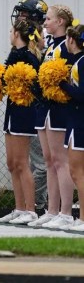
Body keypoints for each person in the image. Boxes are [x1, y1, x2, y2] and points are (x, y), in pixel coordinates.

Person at [33, 5, 77, 229]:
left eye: (49, 19)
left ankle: (66, 212)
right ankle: (52, 210)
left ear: (60, 22)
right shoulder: (50, 45)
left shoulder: (68, 46)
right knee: (49, 160)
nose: (45, 23)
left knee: (61, 161)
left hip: (60, 108)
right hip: (45, 108)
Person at [0, 19, 41, 225]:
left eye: (11, 30)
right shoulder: (14, 55)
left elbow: (34, 87)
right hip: (12, 110)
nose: (9, 33)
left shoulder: (29, 57)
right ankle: (19, 207)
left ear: (17, 34)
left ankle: (30, 210)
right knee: (12, 163)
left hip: (25, 112)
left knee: (22, 163)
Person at [11, 0, 49, 214]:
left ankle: (35, 204)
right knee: (31, 163)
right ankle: (36, 203)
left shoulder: (42, 42)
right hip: (29, 110)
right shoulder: (24, 44)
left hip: (38, 109)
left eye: (24, 13)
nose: (19, 17)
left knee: (42, 163)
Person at [60, 23, 84, 231]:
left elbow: (82, 94)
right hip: (74, 119)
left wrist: (62, 85)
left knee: (78, 172)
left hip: (80, 121)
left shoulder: (82, 62)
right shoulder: (78, 61)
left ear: (72, 40)